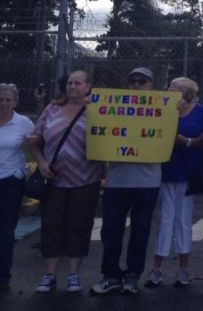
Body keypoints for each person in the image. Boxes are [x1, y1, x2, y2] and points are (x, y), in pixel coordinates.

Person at [26, 71, 103, 294]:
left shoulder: (98, 111)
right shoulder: (52, 109)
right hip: (54, 179)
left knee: (79, 225)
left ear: (88, 87)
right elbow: (34, 140)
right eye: (70, 83)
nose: (73, 87)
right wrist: (41, 162)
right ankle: (49, 274)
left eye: (78, 83)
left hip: (86, 179)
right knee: (51, 226)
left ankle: (73, 274)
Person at [90, 68, 163, 295]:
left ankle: (133, 275)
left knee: (140, 231)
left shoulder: (163, 108)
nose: (137, 85)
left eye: (142, 81)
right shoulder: (114, 109)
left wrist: (175, 111)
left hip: (147, 181)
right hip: (117, 180)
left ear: (151, 84)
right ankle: (110, 275)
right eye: (132, 81)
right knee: (111, 231)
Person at [146, 77, 203, 288]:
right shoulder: (165, 109)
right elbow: (159, 134)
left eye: (174, 88)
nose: (169, 90)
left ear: (186, 92)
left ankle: (183, 268)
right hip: (167, 170)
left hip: (190, 173)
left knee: (183, 220)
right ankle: (157, 268)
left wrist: (190, 142)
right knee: (165, 219)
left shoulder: (202, 111)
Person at [0, 83, 33, 292]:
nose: (3, 103)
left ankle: (3, 275)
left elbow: (36, 146)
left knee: (5, 230)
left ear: (15, 102)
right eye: (0, 99)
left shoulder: (23, 123)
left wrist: (40, 165)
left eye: (8, 100)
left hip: (10, 181)